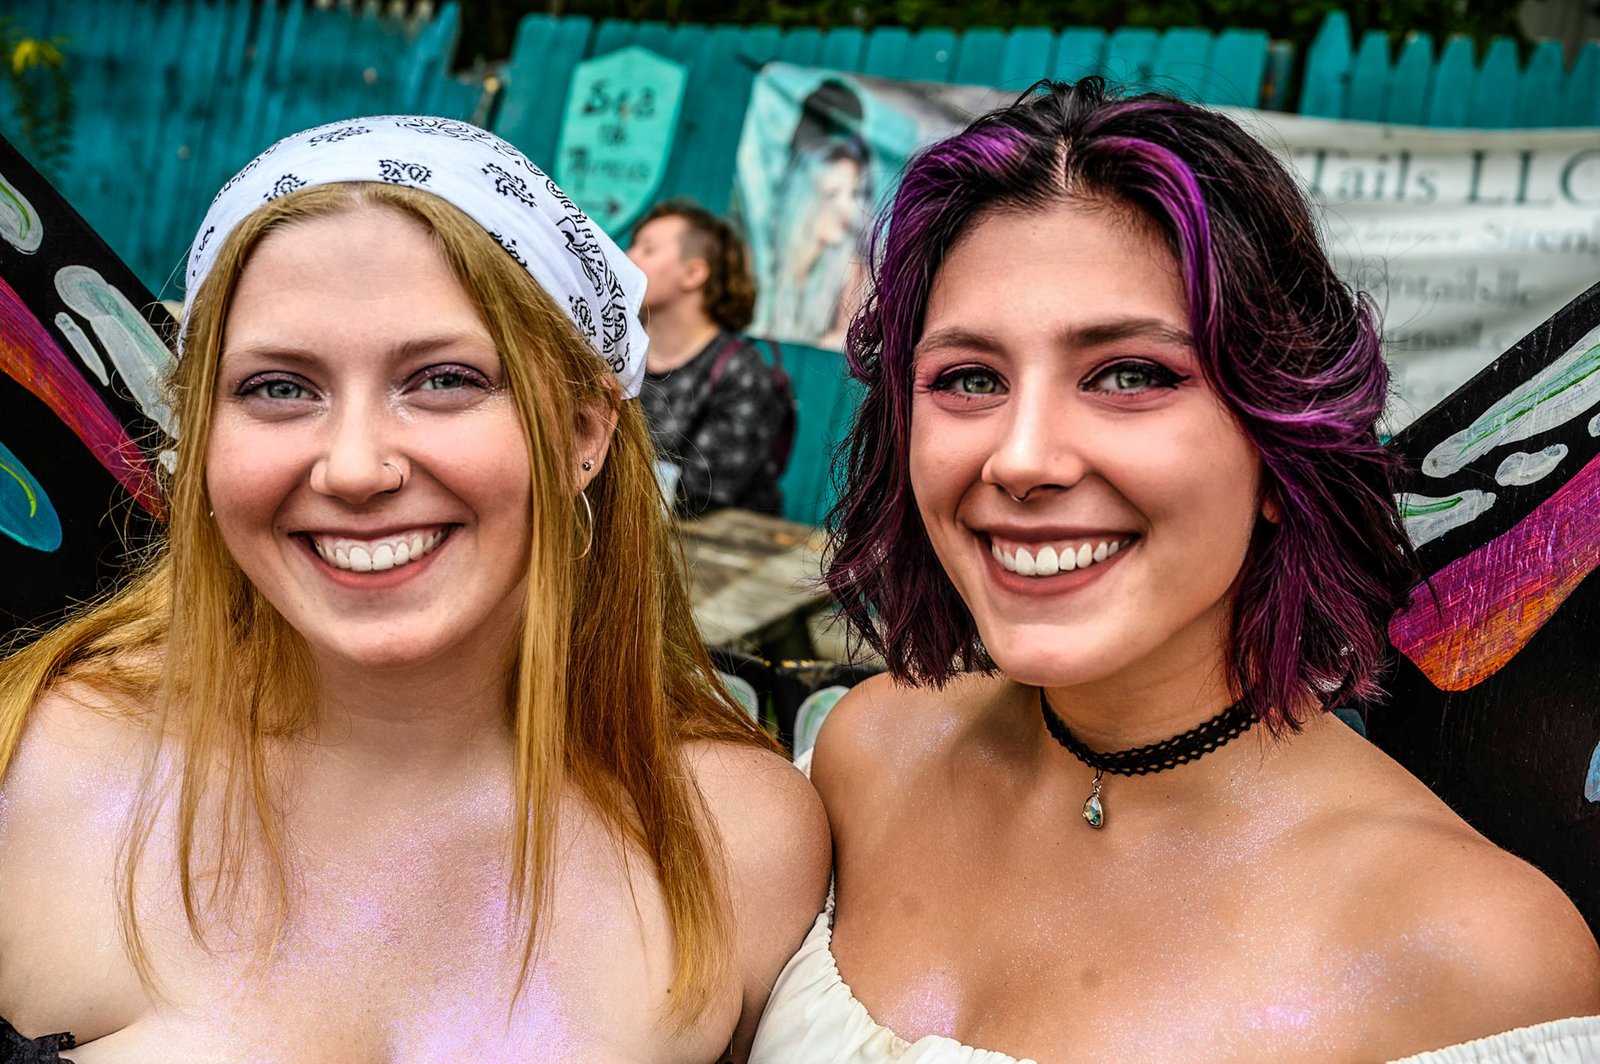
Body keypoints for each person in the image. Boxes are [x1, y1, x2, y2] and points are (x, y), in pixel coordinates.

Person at [751, 79, 1600, 1062]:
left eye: (1130, 374)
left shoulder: (1479, 963)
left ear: (1283, 444)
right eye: (970, 378)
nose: (1021, 459)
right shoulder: (865, 754)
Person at [0, 116, 828, 1063]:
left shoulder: (737, 843)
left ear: (583, 431)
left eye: (442, 379)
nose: (355, 467)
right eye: (279, 388)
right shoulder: (35, 765)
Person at [627, 200, 785, 516]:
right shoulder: (612, 346)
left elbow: (702, 493)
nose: (628, 257)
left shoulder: (740, 372)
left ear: (693, 274)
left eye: (648, 249)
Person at [751, 79, 872, 351]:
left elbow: (848, 338)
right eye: (834, 194)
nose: (848, 208)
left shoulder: (848, 266)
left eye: (854, 194)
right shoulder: (760, 248)